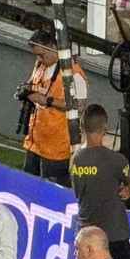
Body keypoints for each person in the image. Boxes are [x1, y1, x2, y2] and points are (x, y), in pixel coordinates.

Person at [72, 105, 130, 259]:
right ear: (104, 129)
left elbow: (78, 193)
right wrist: (127, 191)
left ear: (82, 127)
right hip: (114, 235)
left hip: (87, 235)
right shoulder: (117, 160)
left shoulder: (76, 160)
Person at [21, 30, 88, 188]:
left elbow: (79, 106)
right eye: (36, 55)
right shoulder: (41, 66)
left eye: (41, 54)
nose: (38, 59)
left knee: (51, 190)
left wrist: (48, 100)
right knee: (28, 184)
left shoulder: (73, 73)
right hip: (36, 141)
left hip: (57, 147)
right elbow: (32, 83)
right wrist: (26, 90)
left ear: (53, 48)